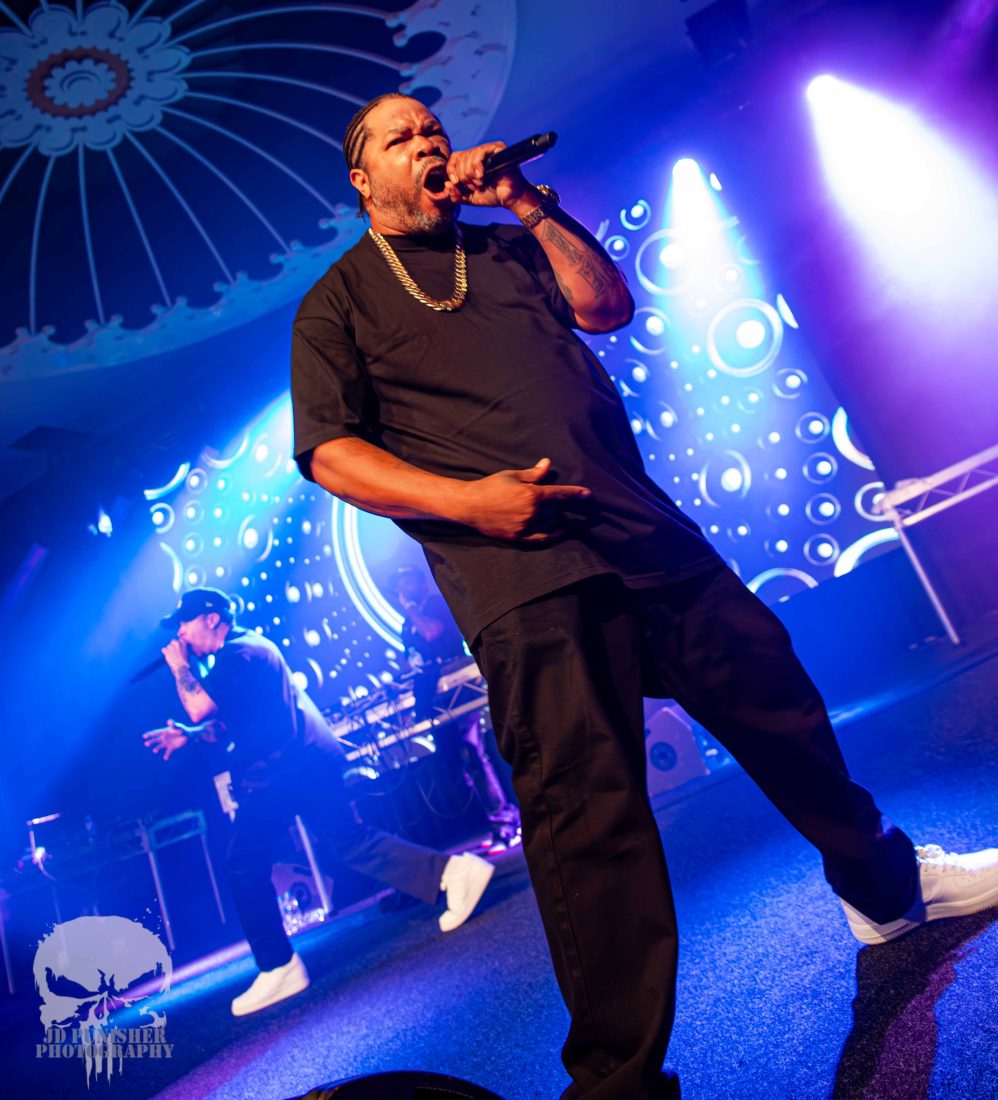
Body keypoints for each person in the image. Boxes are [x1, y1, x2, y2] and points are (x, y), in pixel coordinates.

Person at [289, 92, 998, 1099]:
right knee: (590, 821)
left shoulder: (503, 245)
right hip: (523, 577)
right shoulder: (335, 304)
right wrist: (471, 502)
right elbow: (331, 453)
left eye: (433, 130)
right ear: (364, 181)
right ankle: (616, 1082)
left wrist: (525, 201)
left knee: (780, 704)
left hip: (640, 533)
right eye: (402, 139)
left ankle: (886, 890)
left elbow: (604, 305)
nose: (429, 143)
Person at [142, 587, 494, 1017]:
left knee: (243, 862)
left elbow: (199, 707)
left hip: (283, 770)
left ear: (211, 618)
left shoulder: (238, 653)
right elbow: (224, 721)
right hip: (304, 762)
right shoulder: (244, 652)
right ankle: (455, 873)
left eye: (184, 623)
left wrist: (179, 666)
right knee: (349, 841)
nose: (179, 634)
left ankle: (278, 966)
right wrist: (191, 735)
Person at [391, 565, 521, 852]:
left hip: (458, 689)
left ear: (420, 583)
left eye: (408, 581)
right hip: (435, 698)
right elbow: (413, 658)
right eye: (400, 584)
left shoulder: (436, 605)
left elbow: (433, 633)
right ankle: (495, 819)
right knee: (453, 762)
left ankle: (505, 823)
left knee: (472, 751)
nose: (404, 588)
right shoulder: (407, 623)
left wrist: (412, 612)